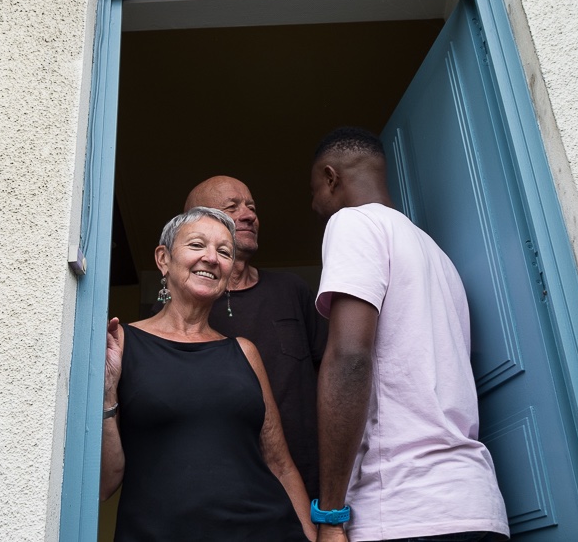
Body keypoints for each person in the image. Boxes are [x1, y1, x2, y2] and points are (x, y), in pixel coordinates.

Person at [308, 127, 509, 542]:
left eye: (315, 193)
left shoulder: (352, 223)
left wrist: (330, 514)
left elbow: (350, 358)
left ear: (331, 178)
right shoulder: (434, 253)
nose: (315, 207)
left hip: (404, 506)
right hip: (476, 506)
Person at [101, 206, 316, 542]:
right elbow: (103, 484)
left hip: (268, 530)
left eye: (224, 251)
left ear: (230, 272)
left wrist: (311, 535)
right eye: (197, 245)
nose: (212, 258)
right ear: (163, 259)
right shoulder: (120, 344)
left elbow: (280, 464)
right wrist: (106, 392)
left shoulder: (244, 352)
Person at [182, 175, 328, 498]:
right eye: (232, 208)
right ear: (199, 225)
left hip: (307, 486)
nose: (249, 215)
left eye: (251, 207)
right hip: (228, 494)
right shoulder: (187, 308)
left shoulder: (293, 291)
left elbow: (329, 379)